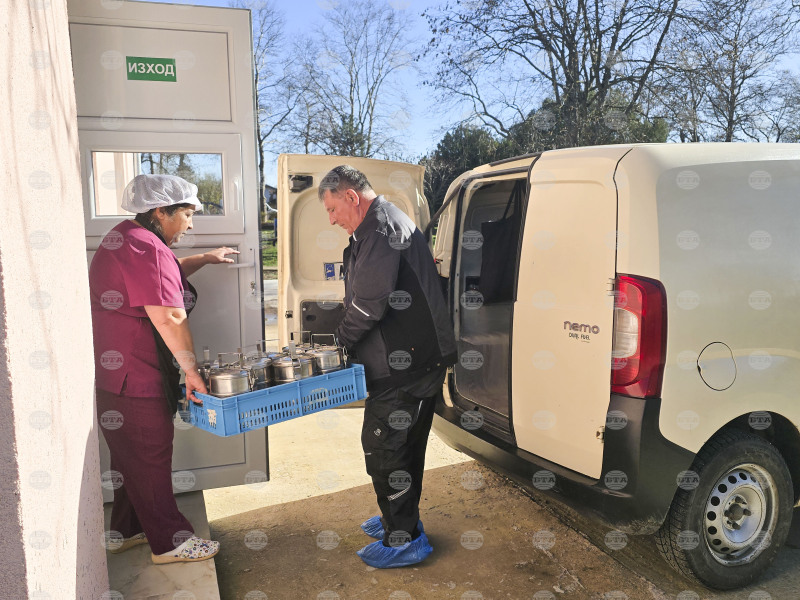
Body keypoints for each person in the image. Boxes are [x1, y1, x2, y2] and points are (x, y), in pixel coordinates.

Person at [89, 174, 237, 564]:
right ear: (160, 211)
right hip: (135, 377)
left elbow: (157, 278)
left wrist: (204, 259)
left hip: (116, 377)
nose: (191, 224)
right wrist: (192, 372)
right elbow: (170, 315)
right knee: (150, 459)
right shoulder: (146, 248)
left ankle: (127, 530)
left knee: (131, 459)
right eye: (187, 214)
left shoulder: (128, 238)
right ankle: (170, 543)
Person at [319, 165, 457, 568]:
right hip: (407, 360)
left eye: (332, 209)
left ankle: (404, 540)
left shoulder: (381, 230)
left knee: (385, 448)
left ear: (351, 197)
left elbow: (368, 305)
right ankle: (399, 521)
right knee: (401, 445)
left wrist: (339, 344)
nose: (332, 220)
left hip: (407, 366)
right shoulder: (376, 226)